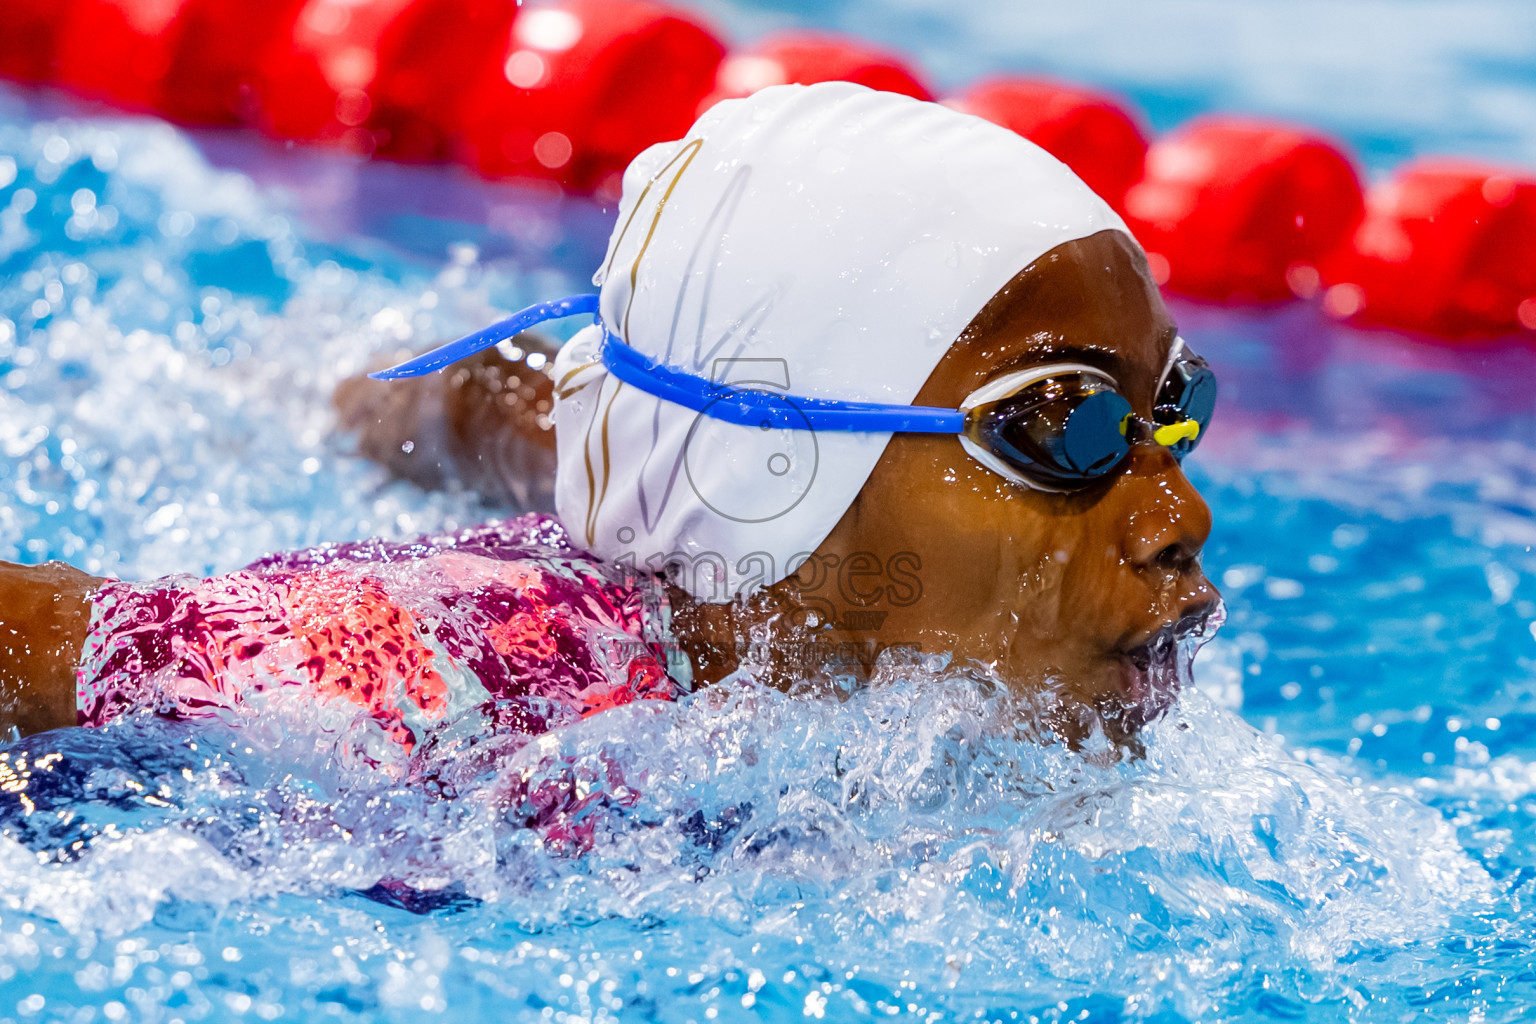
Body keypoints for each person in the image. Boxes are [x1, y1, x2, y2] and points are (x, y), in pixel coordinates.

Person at [0, 82, 1218, 760]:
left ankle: (352, 386)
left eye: (1174, 411)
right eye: (1066, 425)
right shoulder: (452, 679)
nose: (1181, 514)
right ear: (784, 464)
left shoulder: (772, 522)